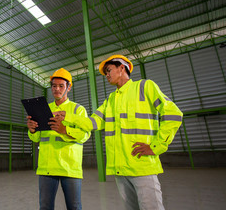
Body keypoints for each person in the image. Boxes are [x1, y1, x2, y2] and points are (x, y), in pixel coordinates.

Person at [51, 55, 183, 210]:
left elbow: (174, 114)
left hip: (142, 166)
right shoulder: (111, 100)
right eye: (105, 72)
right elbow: (92, 123)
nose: (106, 75)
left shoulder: (145, 87)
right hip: (120, 170)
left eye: (109, 70)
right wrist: (69, 116)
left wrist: (156, 146)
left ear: (122, 67)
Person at [27, 68, 91, 210]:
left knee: (74, 207)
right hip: (47, 167)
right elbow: (37, 137)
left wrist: (65, 130)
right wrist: (32, 129)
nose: (57, 89)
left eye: (61, 86)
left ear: (69, 87)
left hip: (69, 168)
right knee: (45, 207)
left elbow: (85, 135)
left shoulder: (77, 110)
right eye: (54, 86)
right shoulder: (43, 108)